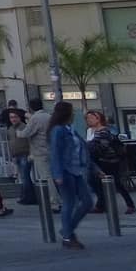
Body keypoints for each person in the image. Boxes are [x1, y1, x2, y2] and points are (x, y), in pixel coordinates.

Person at [48, 100, 95, 250]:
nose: (74, 114)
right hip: (65, 171)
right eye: (72, 111)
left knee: (87, 201)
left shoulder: (70, 129)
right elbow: (55, 152)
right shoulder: (58, 130)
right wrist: (57, 174)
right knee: (69, 202)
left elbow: (81, 150)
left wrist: (94, 168)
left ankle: (67, 229)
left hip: (76, 169)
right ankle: (68, 236)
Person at [84, 110, 136, 216]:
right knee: (95, 181)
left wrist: (87, 145)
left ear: (98, 119)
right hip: (98, 160)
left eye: (91, 118)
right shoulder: (90, 131)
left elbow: (102, 146)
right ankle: (101, 204)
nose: (89, 120)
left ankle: (129, 205)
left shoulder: (104, 131)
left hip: (109, 160)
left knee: (116, 183)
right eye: (87, 118)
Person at [16, 96, 52, 210]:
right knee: (50, 175)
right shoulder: (48, 116)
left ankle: (54, 200)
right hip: (49, 149)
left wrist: (18, 131)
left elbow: (26, 133)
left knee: (46, 176)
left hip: (40, 151)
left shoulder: (35, 118)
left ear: (31, 107)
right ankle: (55, 199)